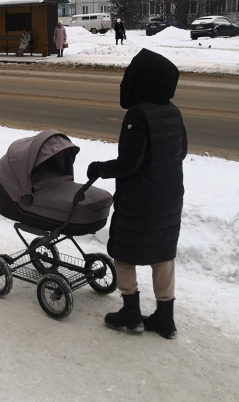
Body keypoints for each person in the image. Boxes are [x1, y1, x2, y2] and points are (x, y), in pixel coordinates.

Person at [86, 48, 187, 340]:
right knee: (162, 253)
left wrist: (99, 168)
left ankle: (131, 313)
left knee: (123, 253)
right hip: (170, 196)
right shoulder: (172, 111)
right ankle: (165, 319)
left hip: (141, 199)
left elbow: (130, 163)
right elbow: (181, 152)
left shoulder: (138, 115)